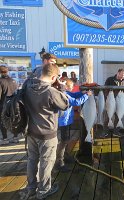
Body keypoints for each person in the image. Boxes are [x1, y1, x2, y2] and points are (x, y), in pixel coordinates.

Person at [20, 63, 69, 200]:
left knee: (32, 160)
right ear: (54, 77)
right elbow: (65, 105)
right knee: (46, 162)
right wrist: (63, 90)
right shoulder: (51, 92)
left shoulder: (27, 85)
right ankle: (43, 190)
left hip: (30, 131)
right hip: (47, 135)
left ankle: (31, 187)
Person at [56, 78, 92, 172]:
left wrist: (83, 92)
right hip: (63, 121)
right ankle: (59, 162)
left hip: (66, 120)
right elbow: (76, 102)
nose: (72, 88)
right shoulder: (64, 94)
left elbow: (74, 95)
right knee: (63, 141)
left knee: (67, 139)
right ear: (66, 86)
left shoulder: (67, 93)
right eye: (71, 87)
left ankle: (66, 156)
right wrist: (87, 95)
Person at [103, 68, 124, 138]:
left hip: (119, 102)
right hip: (110, 101)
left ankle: (116, 132)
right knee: (107, 116)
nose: (123, 76)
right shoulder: (110, 79)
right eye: (122, 74)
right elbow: (105, 89)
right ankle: (105, 132)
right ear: (118, 73)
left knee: (118, 117)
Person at [0, 65, 18, 145]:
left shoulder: (0, 81)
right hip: (13, 104)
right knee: (13, 120)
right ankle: (15, 137)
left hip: (3, 105)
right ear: (7, 71)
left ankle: (5, 139)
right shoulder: (13, 80)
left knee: (3, 121)